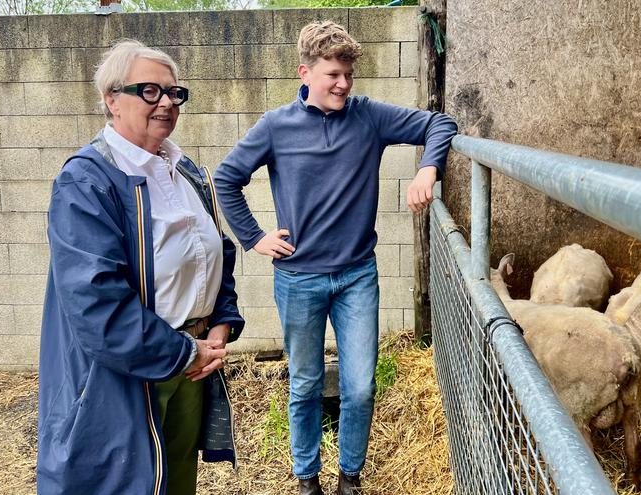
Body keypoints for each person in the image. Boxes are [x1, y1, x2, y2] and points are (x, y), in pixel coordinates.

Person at [214, 21, 457, 495]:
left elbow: (439, 123)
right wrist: (254, 237)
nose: (344, 83)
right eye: (333, 74)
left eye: (348, 73)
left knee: (360, 386)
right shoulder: (275, 126)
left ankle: (350, 477)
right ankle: (307, 480)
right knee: (304, 385)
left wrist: (428, 168)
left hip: (356, 278)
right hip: (298, 279)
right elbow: (227, 179)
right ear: (305, 72)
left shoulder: (369, 117)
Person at [37, 40, 244, 495]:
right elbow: (96, 303)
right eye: (150, 91)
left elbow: (214, 256)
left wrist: (222, 321)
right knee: (125, 482)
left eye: (174, 93)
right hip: (125, 374)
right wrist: (180, 352)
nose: (167, 102)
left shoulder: (184, 170)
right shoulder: (87, 180)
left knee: (175, 482)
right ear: (111, 99)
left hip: (192, 364)